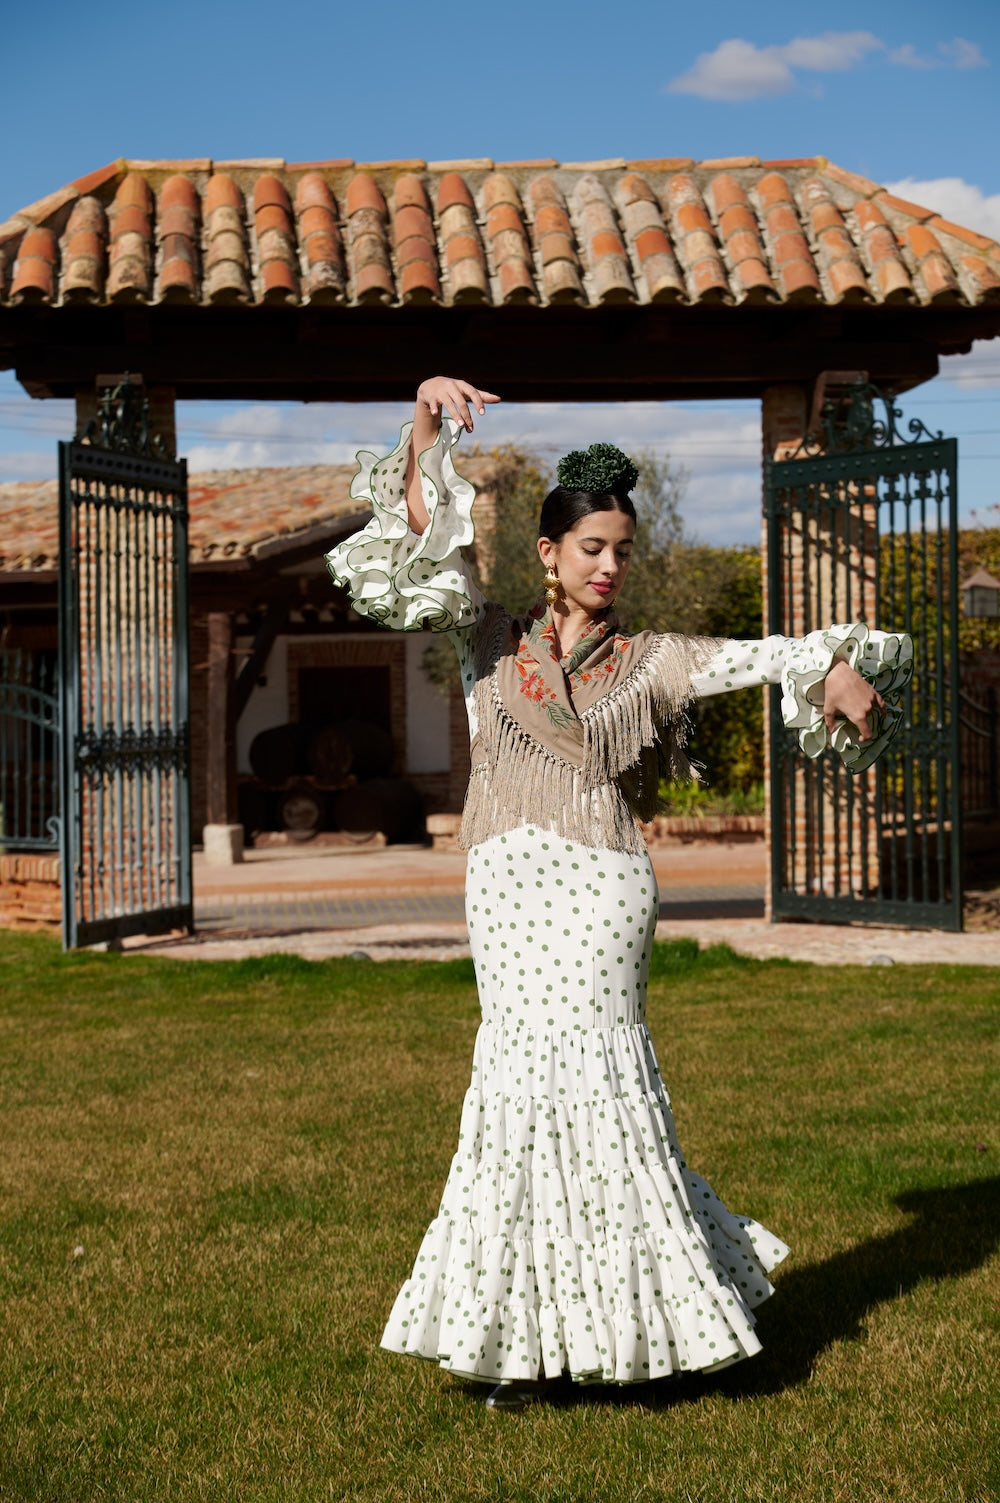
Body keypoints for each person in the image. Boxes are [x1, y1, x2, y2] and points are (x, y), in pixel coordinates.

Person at [326, 377, 913, 1411]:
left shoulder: (651, 664)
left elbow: (757, 655)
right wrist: (424, 423)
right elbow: (421, 538)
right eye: (589, 547)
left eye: (621, 550)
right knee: (514, 1095)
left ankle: (640, 1331)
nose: (607, 566)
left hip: (603, 893)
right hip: (505, 888)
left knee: (601, 1094)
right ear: (547, 554)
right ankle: (514, 1343)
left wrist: (828, 672)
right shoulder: (484, 640)